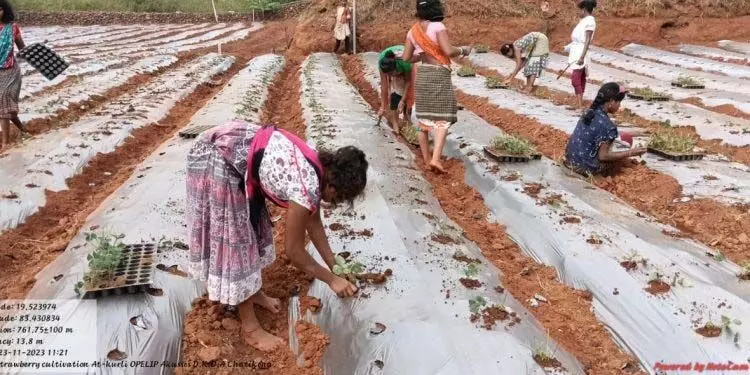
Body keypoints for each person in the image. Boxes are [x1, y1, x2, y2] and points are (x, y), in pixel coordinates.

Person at [186, 120, 368, 352]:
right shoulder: (306, 185)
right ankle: (250, 328)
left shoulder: (319, 169)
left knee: (249, 233)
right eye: (340, 198)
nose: (336, 202)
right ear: (333, 187)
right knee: (237, 242)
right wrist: (332, 280)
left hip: (237, 150)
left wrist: (334, 265)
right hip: (219, 157)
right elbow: (294, 252)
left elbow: (314, 222)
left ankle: (254, 292)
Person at [402, 0, 471, 173]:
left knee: (423, 120)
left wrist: (421, 56)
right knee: (443, 118)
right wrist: (463, 50)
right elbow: (448, 51)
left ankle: (426, 160)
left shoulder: (413, 31)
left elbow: (406, 59)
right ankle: (435, 159)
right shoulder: (437, 26)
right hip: (439, 74)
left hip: (423, 73)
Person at [564, 82, 647, 175]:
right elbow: (603, 156)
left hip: (570, 160)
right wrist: (631, 152)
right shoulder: (608, 126)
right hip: (584, 168)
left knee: (614, 141)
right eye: (619, 102)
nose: (619, 105)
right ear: (611, 101)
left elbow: (599, 131)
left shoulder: (588, 113)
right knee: (620, 152)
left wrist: (636, 133)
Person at [0, 0, 27, 150]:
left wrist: (41, 58)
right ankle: (23, 129)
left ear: (5, 11)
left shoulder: (12, 28)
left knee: (3, 100)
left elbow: (22, 48)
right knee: (5, 105)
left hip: (11, 71)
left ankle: (5, 143)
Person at [564, 0, 596, 109]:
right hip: (577, 51)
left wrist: (582, 56)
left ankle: (579, 105)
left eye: (580, 10)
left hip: (581, 52)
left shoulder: (590, 21)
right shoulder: (583, 20)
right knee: (581, 78)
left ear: (584, 10)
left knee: (575, 78)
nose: (579, 13)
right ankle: (579, 103)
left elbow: (587, 40)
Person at [377, 45, 413, 134]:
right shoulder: (382, 64)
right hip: (390, 61)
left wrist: (403, 100)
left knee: (410, 94)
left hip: (409, 59)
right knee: (395, 94)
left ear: (396, 67)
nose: (390, 76)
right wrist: (382, 106)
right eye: (388, 74)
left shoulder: (405, 62)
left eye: (391, 73)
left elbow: (408, 81)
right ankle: (395, 125)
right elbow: (384, 86)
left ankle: (407, 117)